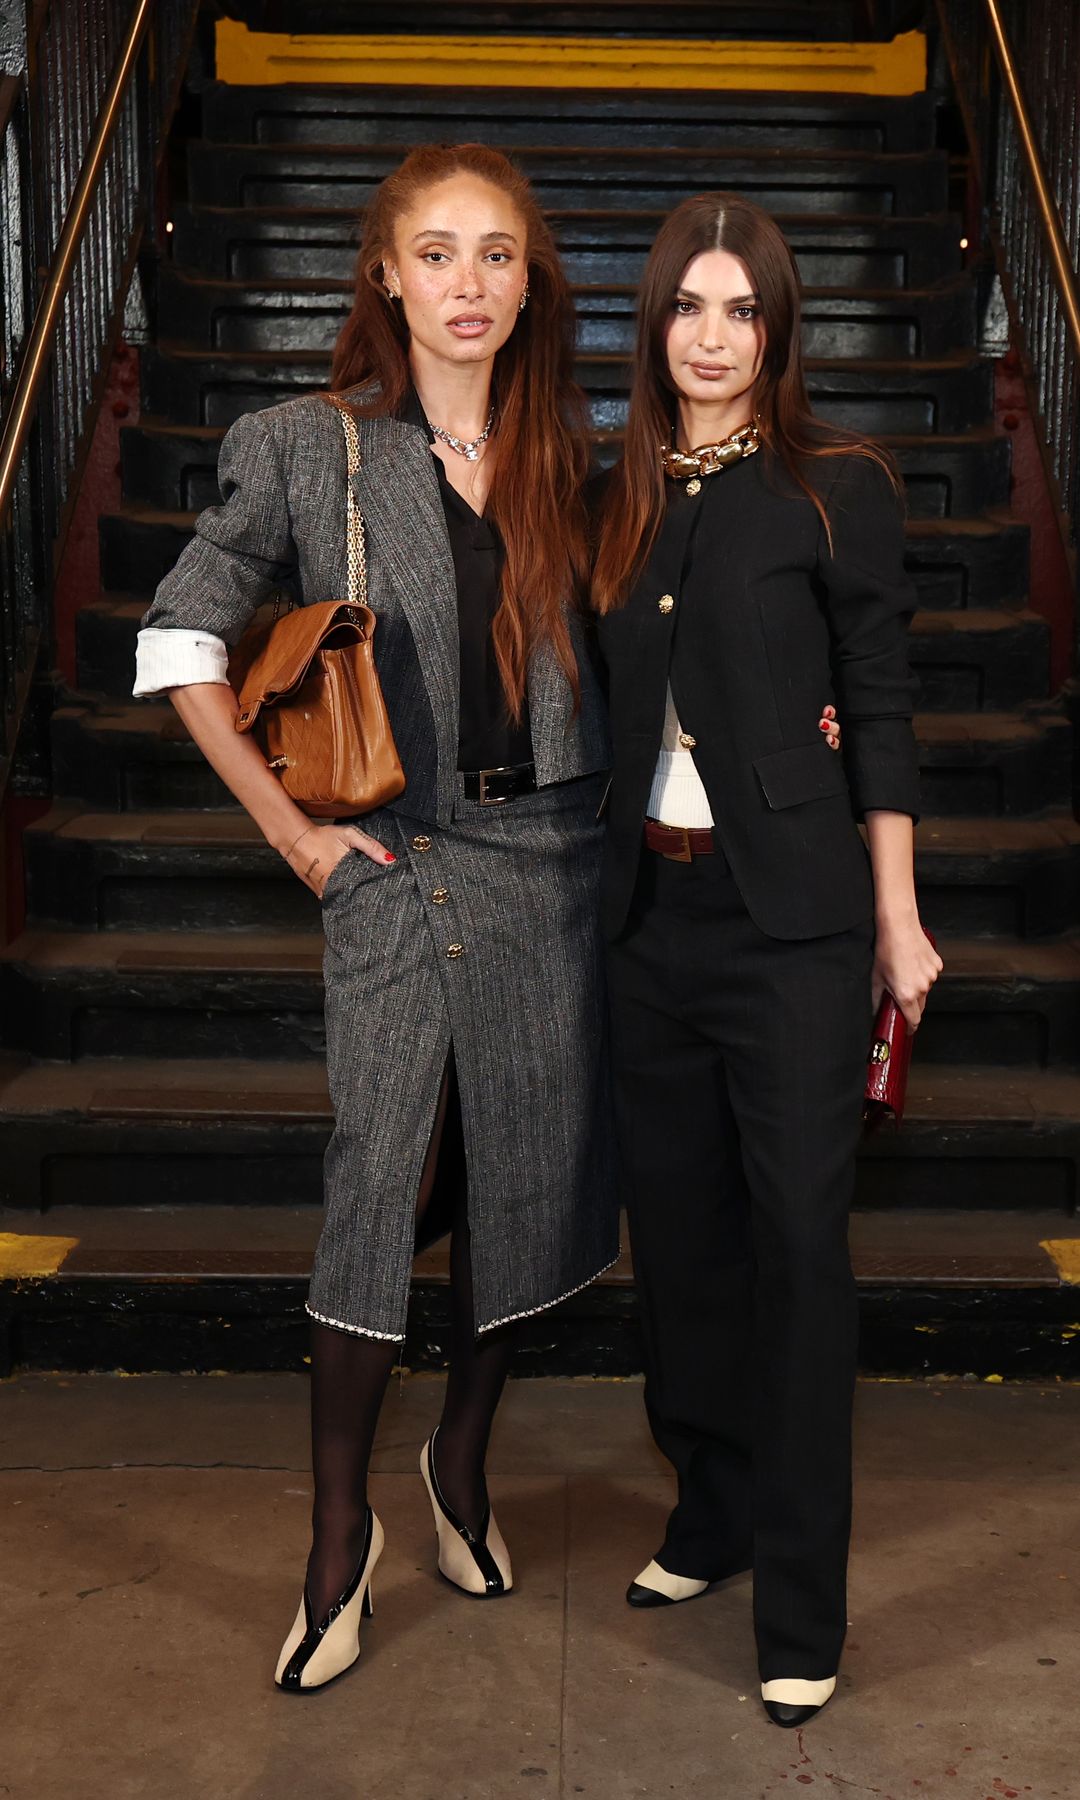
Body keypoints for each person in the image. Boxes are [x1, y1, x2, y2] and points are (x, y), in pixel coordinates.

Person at [132, 143, 619, 1692]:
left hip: (554, 863)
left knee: (522, 1187)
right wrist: (294, 835)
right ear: (385, 274)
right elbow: (178, 641)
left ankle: (458, 1468)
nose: (466, 284)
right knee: (379, 1186)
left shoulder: (568, 457)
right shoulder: (307, 444)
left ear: (529, 282)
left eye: (496, 256)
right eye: (437, 253)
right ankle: (336, 1542)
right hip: (397, 866)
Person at [590, 192, 942, 1729]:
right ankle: (711, 1513)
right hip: (645, 925)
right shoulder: (615, 491)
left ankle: (803, 1602)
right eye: (688, 307)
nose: (714, 337)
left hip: (793, 927)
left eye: (741, 311)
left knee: (799, 1259)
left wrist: (898, 915)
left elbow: (879, 705)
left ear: (776, 330)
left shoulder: (835, 488)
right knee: (680, 1247)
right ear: (655, 324)